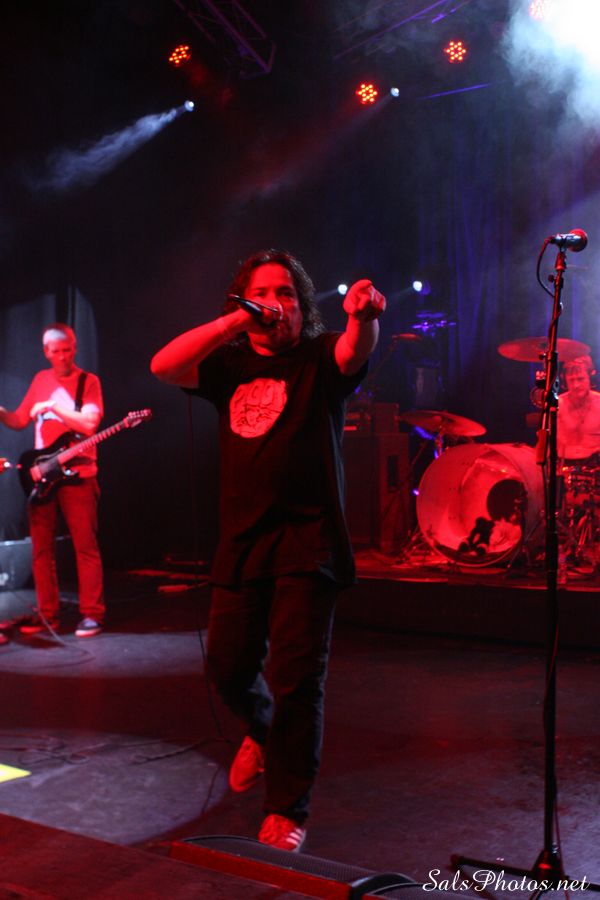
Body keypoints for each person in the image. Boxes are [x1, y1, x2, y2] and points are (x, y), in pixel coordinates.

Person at [151, 249, 385, 851]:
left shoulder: (317, 357)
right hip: (243, 541)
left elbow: (353, 351)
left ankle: (286, 809)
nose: (274, 302)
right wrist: (234, 320)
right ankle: (261, 730)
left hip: (309, 542)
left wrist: (363, 317)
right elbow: (163, 365)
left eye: (285, 292)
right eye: (261, 292)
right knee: (227, 668)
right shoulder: (229, 366)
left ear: (301, 305)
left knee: (297, 680)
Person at [0, 323, 105, 638]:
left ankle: (93, 614)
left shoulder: (88, 381)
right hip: (44, 476)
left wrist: (53, 407)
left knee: (85, 548)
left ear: (75, 347)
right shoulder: (41, 379)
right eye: (56, 351)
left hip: (78, 476)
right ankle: (48, 615)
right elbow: (20, 420)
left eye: (67, 350)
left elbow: (89, 425)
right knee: (41, 550)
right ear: (46, 352)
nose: (62, 357)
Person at [557, 355, 600, 461]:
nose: (576, 385)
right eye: (571, 380)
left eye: (580, 379)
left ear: (590, 377)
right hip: (564, 465)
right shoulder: (557, 405)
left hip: (595, 465)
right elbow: (546, 444)